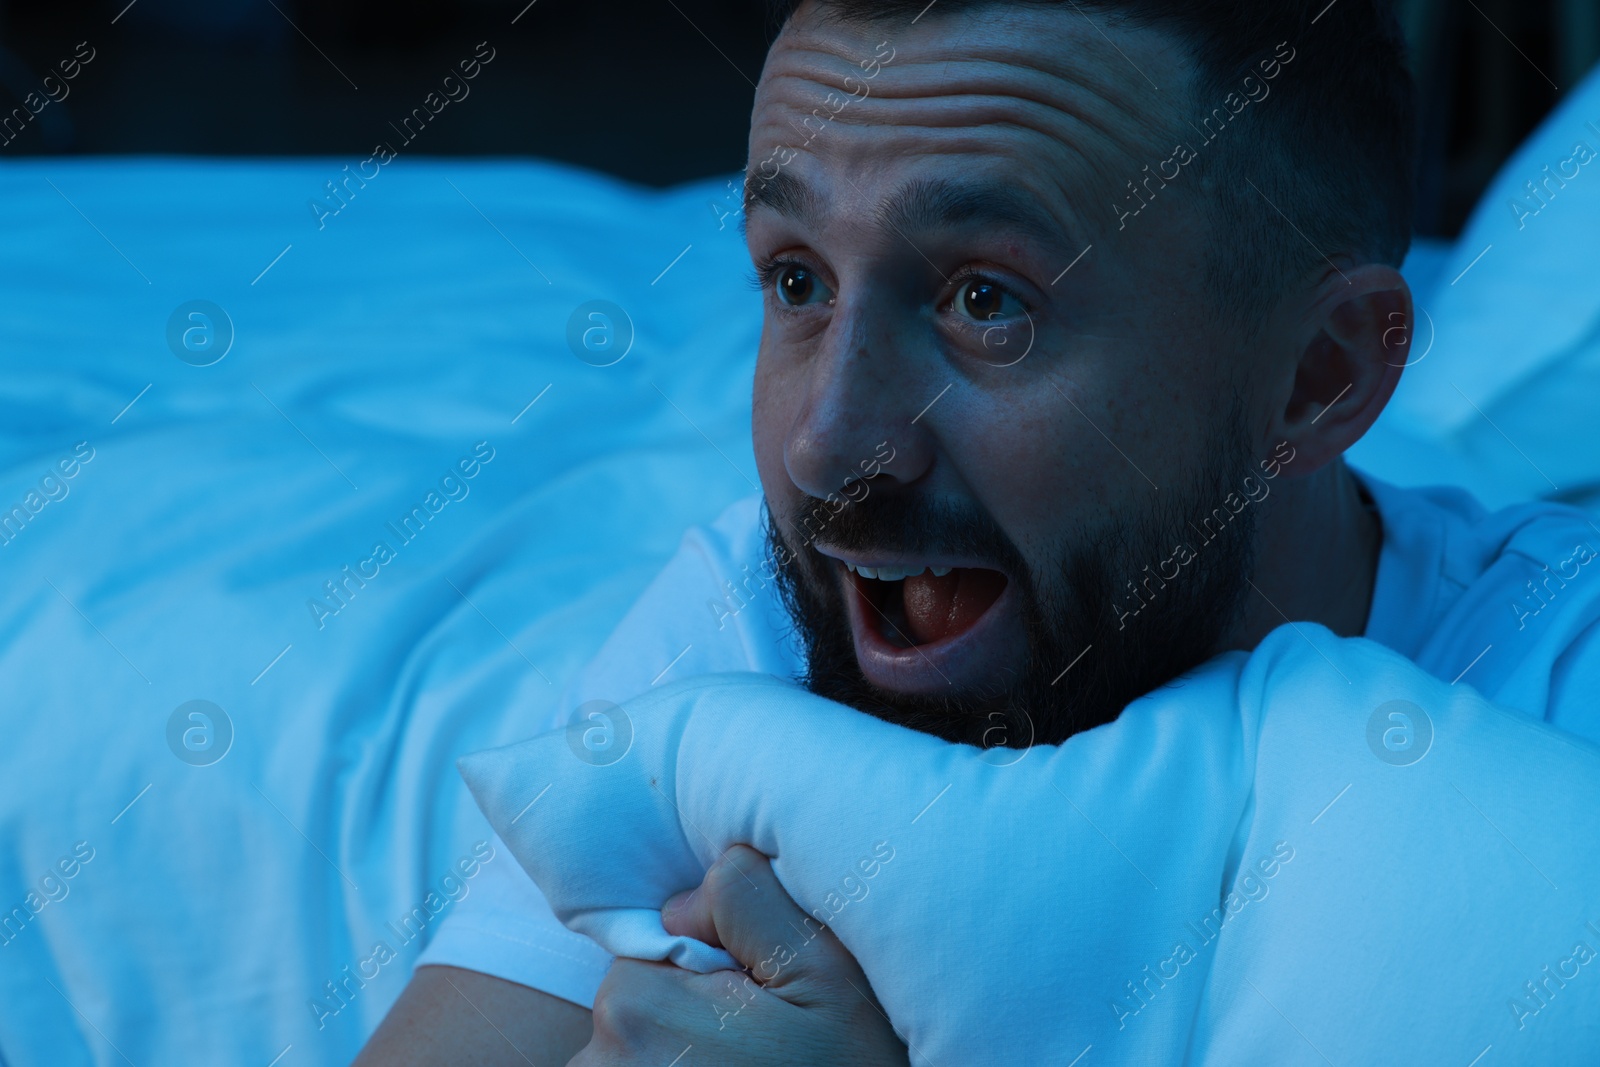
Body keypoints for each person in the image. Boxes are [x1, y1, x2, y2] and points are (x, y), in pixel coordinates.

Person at [357, 0, 1600, 1062]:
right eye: (797, 278)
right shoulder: (759, 617)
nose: (827, 448)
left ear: (1317, 376)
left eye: (984, 302)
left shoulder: (1553, 708)